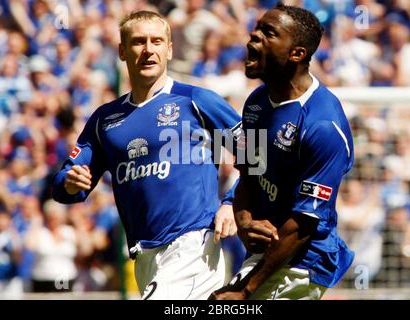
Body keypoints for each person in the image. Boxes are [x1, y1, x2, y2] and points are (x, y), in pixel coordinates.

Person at [52, 10, 241, 300]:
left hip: (192, 246)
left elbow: (258, 152)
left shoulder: (196, 100)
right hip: (143, 257)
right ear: (122, 51)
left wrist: (231, 202)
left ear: (169, 49)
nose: (148, 50)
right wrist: (69, 182)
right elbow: (65, 181)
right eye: (139, 42)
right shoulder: (105, 119)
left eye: (157, 41)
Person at [209, 4, 355, 300]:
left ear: (297, 54)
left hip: (304, 261)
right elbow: (248, 175)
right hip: (267, 255)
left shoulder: (322, 125)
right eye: (257, 27)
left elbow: (303, 225)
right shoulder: (256, 104)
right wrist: (245, 220)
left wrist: (246, 290)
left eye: (268, 32)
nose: (253, 35)